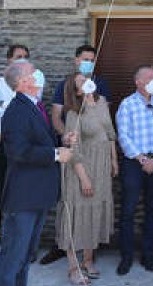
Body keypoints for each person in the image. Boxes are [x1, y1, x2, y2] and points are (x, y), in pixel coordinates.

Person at [0, 61, 72, 286]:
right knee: (12, 257)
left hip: (38, 194)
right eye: (33, 70)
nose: (38, 73)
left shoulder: (34, 106)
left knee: (25, 256)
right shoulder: (16, 110)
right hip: (23, 196)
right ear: (24, 80)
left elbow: (40, 142)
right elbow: (19, 152)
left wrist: (61, 142)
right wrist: (57, 154)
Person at [40, 44, 110, 266]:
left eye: (92, 59)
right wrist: (67, 137)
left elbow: (102, 120)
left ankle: (89, 255)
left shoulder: (101, 85)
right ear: (76, 60)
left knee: (93, 204)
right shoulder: (65, 85)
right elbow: (57, 117)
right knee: (73, 204)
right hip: (74, 150)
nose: (89, 62)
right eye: (85, 58)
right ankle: (66, 252)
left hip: (97, 155)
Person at [55, 74, 117, 285]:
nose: (86, 82)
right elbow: (74, 149)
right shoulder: (74, 112)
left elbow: (110, 134)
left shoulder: (101, 103)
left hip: (102, 167)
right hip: (81, 167)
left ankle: (88, 260)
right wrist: (84, 179)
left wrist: (114, 161)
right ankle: (73, 267)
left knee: (94, 212)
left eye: (86, 79)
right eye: (80, 82)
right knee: (76, 215)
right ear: (76, 91)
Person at [115, 65, 153, 275]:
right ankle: (126, 257)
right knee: (128, 210)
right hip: (134, 163)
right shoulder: (127, 105)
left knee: (152, 209)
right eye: (149, 78)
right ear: (137, 81)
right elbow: (123, 136)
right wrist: (142, 159)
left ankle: (148, 255)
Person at [0, 44, 34, 260]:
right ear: (8, 61)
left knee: (21, 196)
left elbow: (32, 110)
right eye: (17, 57)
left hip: (24, 147)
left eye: (25, 57)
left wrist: (9, 107)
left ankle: (20, 246)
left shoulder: (33, 84)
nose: (21, 60)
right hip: (3, 146)